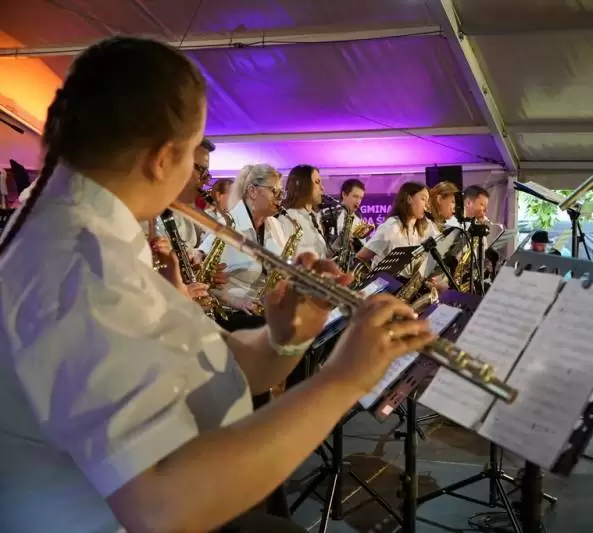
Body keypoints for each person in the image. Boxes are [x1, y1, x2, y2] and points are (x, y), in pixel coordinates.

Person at [0, 36, 435, 533]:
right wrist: (345, 378)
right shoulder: (85, 267)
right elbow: (162, 506)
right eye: (193, 157)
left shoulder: (91, 231)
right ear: (163, 158)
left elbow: (226, 364)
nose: (196, 178)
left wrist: (286, 336)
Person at [356, 181, 439, 279]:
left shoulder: (420, 228)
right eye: (423, 199)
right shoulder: (391, 226)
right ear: (409, 199)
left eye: (427, 200)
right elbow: (361, 257)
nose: (426, 205)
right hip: (386, 285)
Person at [279, 164, 329, 260]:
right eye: (317, 182)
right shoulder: (287, 219)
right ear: (303, 185)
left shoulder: (315, 218)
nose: (322, 188)